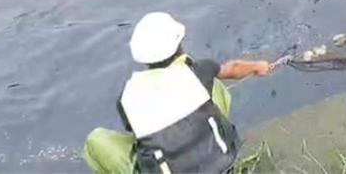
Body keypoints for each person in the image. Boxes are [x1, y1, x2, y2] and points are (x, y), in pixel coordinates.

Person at [84, 12, 276, 173]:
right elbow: (233, 68)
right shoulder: (199, 70)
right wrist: (258, 66)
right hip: (224, 162)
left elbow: (142, 137)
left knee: (96, 140)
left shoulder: (126, 99)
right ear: (179, 46)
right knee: (215, 83)